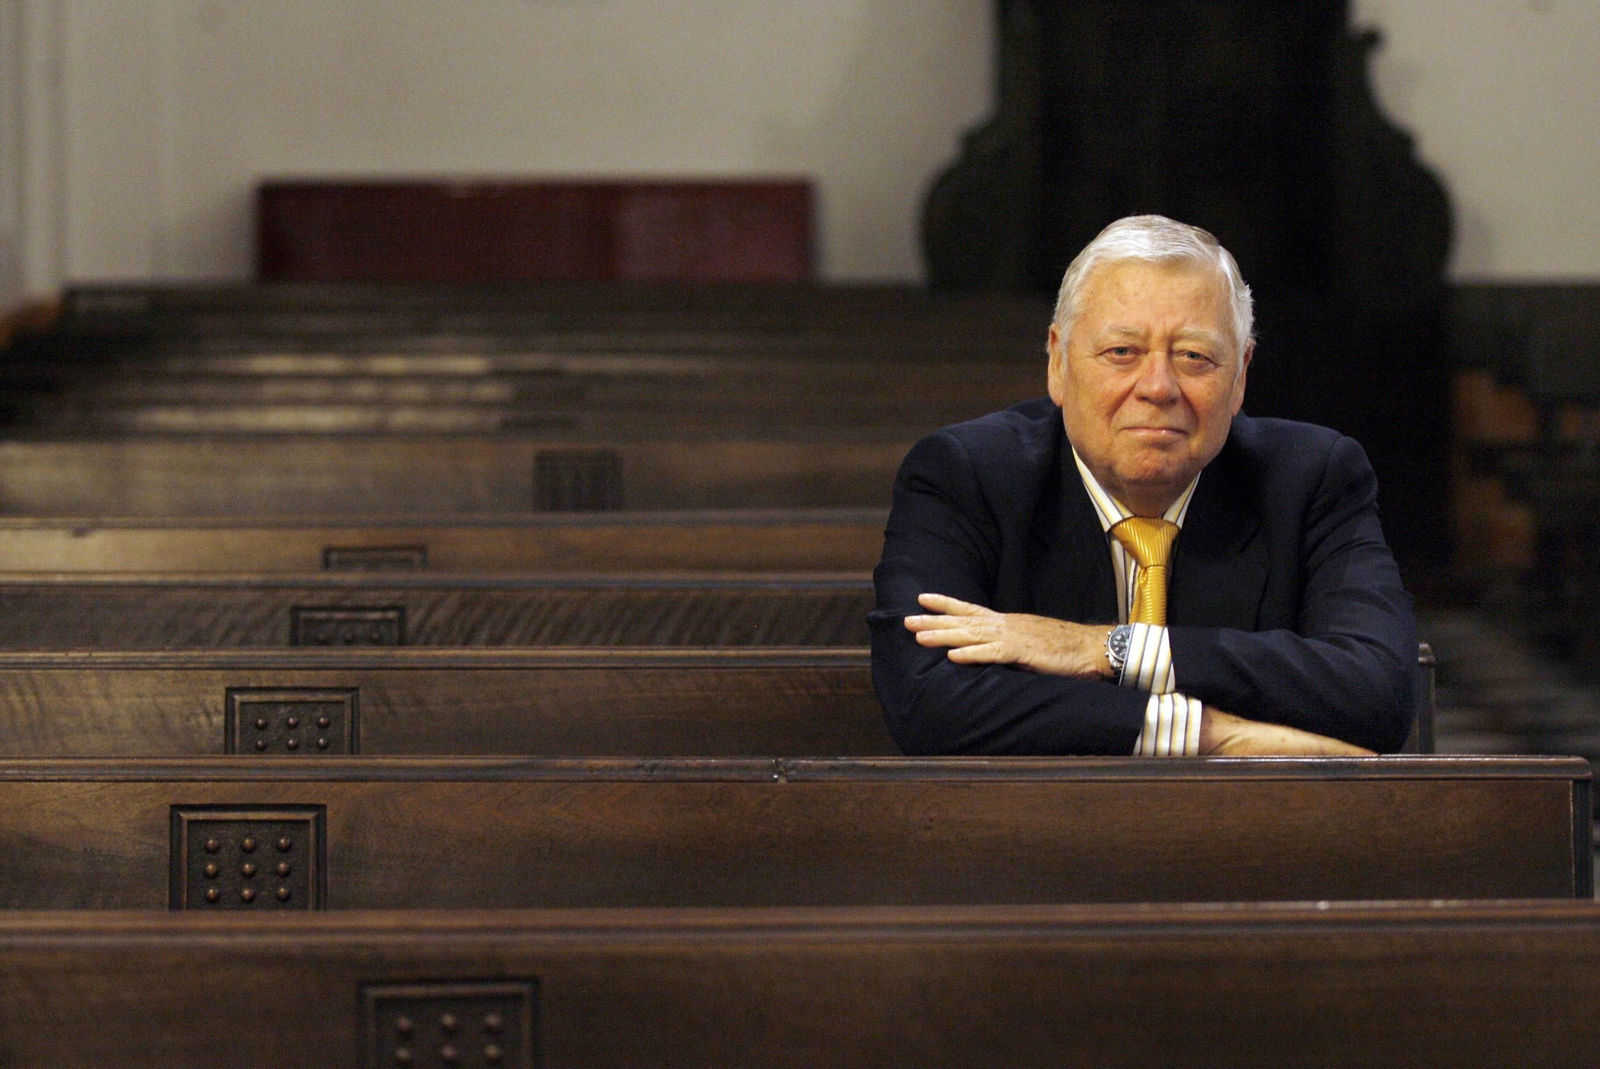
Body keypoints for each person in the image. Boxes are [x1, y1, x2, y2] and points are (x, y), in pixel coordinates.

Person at [870, 215, 1417, 756]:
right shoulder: (966, 475)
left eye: (1194, 357)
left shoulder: (1311, 477)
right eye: (1122, 352)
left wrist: (1108, 649)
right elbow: (928, 700)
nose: (1158, 387)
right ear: (1058, 362)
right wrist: (1212, 734)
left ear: (1241, 375)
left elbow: (1378, 691)